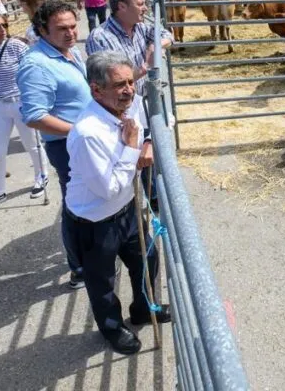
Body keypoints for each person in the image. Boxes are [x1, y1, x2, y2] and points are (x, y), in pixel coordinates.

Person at [65, 51, 170, 354]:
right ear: (96, 90)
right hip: (94, 220)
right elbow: (107, 189)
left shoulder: (124, 107)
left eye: (130, 82)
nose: (129, 90)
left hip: (126, 210)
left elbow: (154, 122)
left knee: (147, 259)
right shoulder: (88, 133)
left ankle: (143, 308)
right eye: (119, 85)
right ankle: (112, 328)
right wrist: (133, 149)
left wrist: (146, 142)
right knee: (102, 280)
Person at [17, 0, 90, 289]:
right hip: (67, 145)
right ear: (42, 30)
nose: (71, 32)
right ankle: (79, 267)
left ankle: (90, 257)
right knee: (77, 205)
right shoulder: (36, 64)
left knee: (87, 200)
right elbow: (35, 116)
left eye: (73, 26)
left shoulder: (69, 52)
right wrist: (81, 132)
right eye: (62, 28)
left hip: (80, 140)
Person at [86, 0, 172, 209]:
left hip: (143, 102)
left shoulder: (141, 28)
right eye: (140, 3)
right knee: (130, 156)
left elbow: (167, 34)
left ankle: (153, 200)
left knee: (149, 152)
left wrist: (155, 45)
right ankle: (134, 204)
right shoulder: (100, 37)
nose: (145, 8)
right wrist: (145, 67)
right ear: (122, 7)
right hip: (121, 110)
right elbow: (112, 81)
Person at [0, 13, 49, 214]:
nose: (3, 30)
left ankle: (41, 176)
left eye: (4, 25)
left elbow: (33, 71)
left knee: (32, 144)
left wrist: (35, 98)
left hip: (21, 102)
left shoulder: (16, 46)